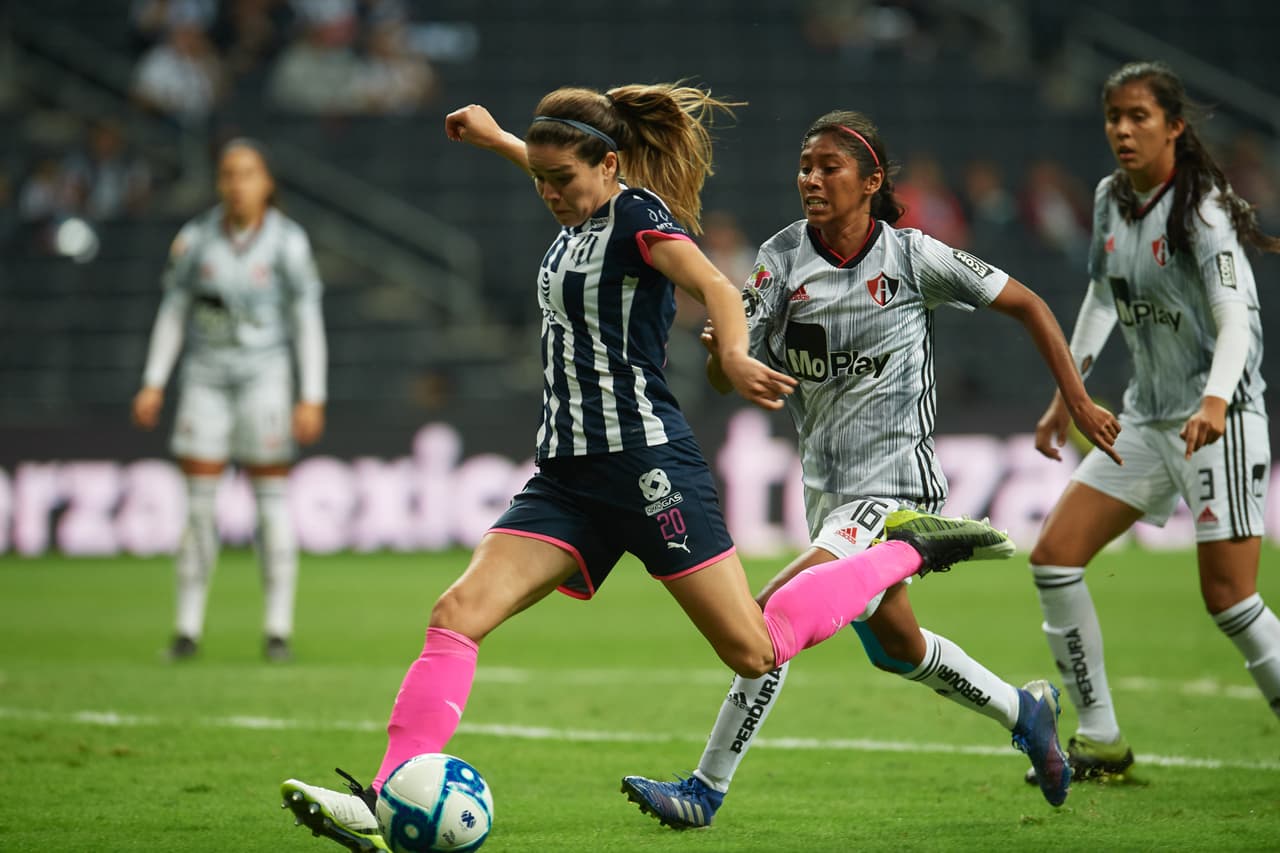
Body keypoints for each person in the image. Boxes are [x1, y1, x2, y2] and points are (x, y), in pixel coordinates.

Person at [278, 84, 1013, 852]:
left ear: (610, 165)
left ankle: (909, 546)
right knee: (455, 614)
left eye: (562, 179)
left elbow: (715, 286)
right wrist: (499, 138)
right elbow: (549, 163)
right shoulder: (577, 212)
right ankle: (385, 794)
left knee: (754, 649)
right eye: (541, 178)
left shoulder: (637, 218)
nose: (549, 192)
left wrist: (732, 350)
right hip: (565, 478)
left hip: (645, 465)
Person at [619, 108, 1124, 825]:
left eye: (829, 166)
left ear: (871, 179)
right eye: (805, 165)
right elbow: (734, 373)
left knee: (770, 620)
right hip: (827, 491)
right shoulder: (782, 257)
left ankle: (704, 788)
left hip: (897, 490)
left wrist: (1073, 397)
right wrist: (721, 357)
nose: (812, 178)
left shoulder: (914, 257)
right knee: (897, 647)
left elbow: (1031, 305)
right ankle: (1026, 710)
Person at [1024, 60, 1280, 785]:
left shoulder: (1203, 209)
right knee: (1054, 557)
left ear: (1173, 126)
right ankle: (1099, 735)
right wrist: (1067, 395)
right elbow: (1104, 296)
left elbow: (1237, 320)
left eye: (1139, 117)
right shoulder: (1110, 197)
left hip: (1217, 422)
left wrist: (1216, 400)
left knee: (1228, 598)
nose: (1123, 130)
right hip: (1144, 419)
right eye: (1114, 117)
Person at [132, 138, 327, 663]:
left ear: (266, 183)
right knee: (197, 508)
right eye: (228, 174)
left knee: (271, 505)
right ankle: (187, 628)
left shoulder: (288, 243)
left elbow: (306, 321)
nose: (237, 184)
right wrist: (154, 380)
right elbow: (173, 311)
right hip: (205, 377)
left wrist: (311, 394)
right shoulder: (195, 240)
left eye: (247, 173)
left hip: (265, 377)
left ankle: (277, 629)